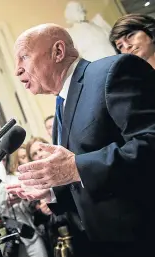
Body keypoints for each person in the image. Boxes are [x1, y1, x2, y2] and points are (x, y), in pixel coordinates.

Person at [8, 23, 155, 256]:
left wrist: (76, 168)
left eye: (23, 57)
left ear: (58, 52)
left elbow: (150, 142)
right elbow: (86, 177)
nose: (17, 70)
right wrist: (53, 192)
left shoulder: (114, 71)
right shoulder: (61, 103)